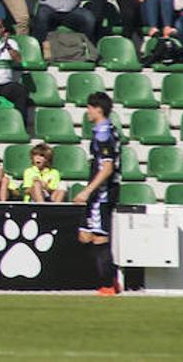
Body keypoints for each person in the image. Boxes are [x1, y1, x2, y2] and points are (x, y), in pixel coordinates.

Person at [75, 91, 121, 295]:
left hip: (101, 195)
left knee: (99, 238)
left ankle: (108, 285)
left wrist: (87, 191)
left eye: (89, 107)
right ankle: (109, 279)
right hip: (98, 194)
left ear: (98, 109)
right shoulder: (105, 130)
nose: (87, 111)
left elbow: (107, 168)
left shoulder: (103, 133)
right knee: (85, 236)